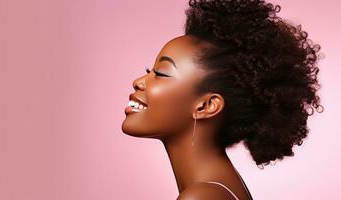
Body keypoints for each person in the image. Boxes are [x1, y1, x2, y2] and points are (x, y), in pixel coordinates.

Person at [121, 0, 324, 199]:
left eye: (161, 73)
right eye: (149, 71)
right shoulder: (220, 188)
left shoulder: (202, 196)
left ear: (206, 106)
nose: (139, 82)